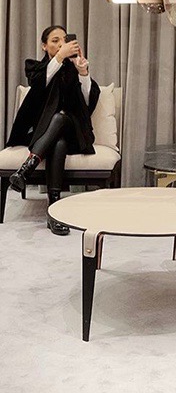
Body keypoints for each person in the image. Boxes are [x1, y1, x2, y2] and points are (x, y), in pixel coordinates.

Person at [6, 25, 100, 235]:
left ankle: (25, 170)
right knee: (58, 142)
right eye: (55, 41)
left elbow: (87, 105)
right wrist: (59, 58)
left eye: (64, 40)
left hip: (76, 132)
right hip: (47, 135)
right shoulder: (36, 68)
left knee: (60, 117)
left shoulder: (73, 69)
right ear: (44, 46)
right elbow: (39, 85)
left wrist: (83, 73)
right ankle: (54, 212)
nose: (60, 44)